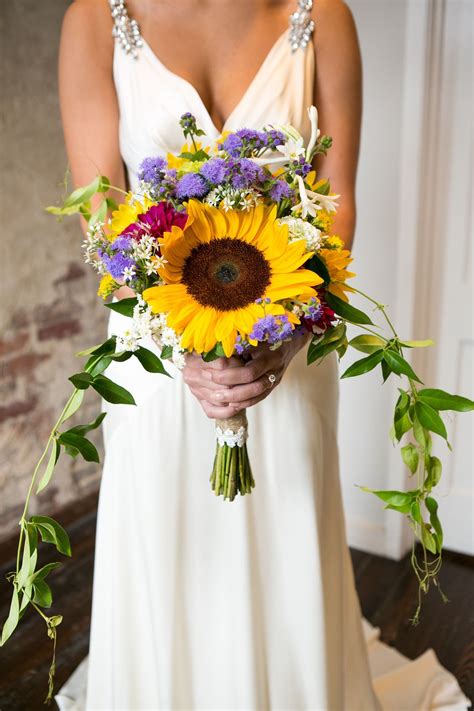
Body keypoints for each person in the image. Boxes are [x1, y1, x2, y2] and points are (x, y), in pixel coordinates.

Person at [55, 1, 470, 709]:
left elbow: (337, 207)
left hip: (289, 348)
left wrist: (282, 340)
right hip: (155, 359)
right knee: (172, 552)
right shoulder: (97, 18)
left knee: (286, 547)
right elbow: (104, 214)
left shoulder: (321, 17)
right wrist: (181, 347)